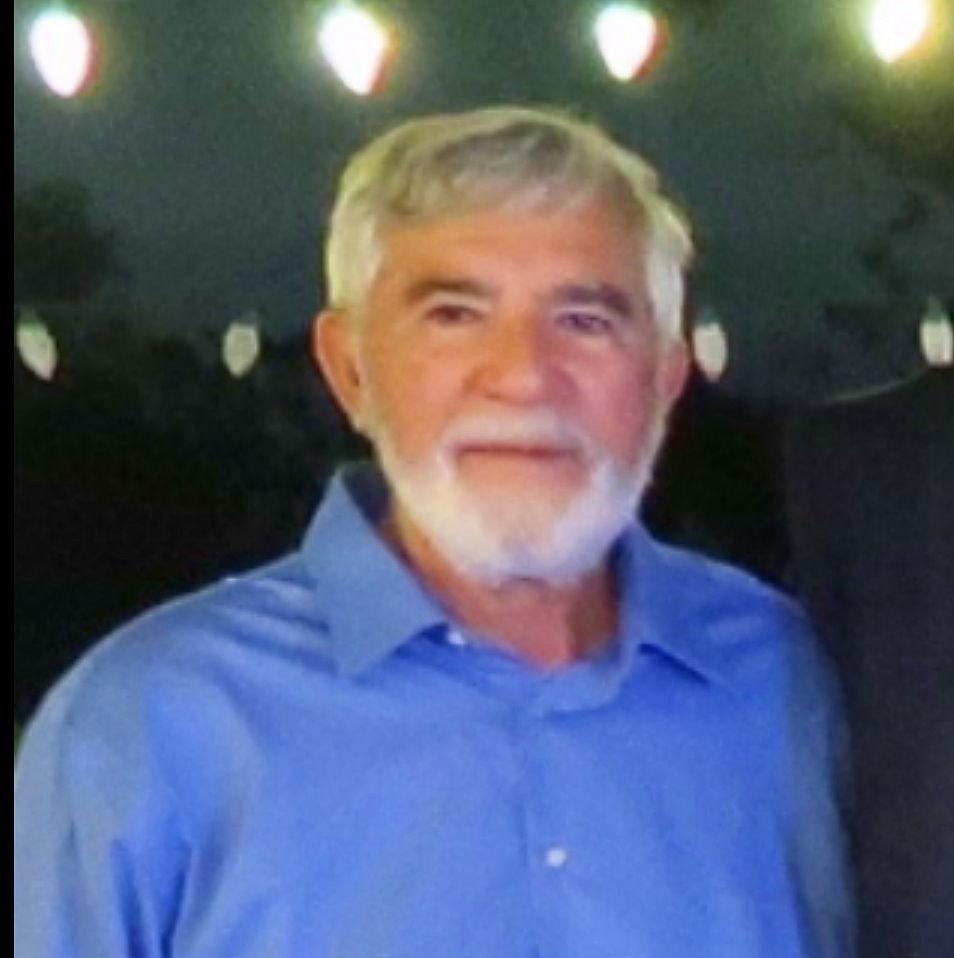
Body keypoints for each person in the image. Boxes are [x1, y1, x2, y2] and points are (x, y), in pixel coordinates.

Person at [15, 106, 853, 957]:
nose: (524, 377)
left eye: (585, 321)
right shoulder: (152, 722)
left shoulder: (794, 684)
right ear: (350, 368)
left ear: (666, 378)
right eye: (454, 315)